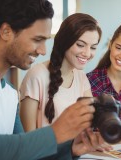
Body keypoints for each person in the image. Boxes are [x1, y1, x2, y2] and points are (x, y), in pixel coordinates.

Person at [0, 0, 100, 159]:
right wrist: (56, 132)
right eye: (37, 40)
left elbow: (25, 152)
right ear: (6, 32)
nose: (43, 51)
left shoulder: (9, 92)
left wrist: (71, 150)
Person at [20, 13, 111, 152]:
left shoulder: (81, 78)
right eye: (81, 45)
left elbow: (88, 126)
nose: (87, 53)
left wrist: (92, 142)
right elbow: (28, 142)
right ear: (64, 42)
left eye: (93, 47)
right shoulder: (36, 76)